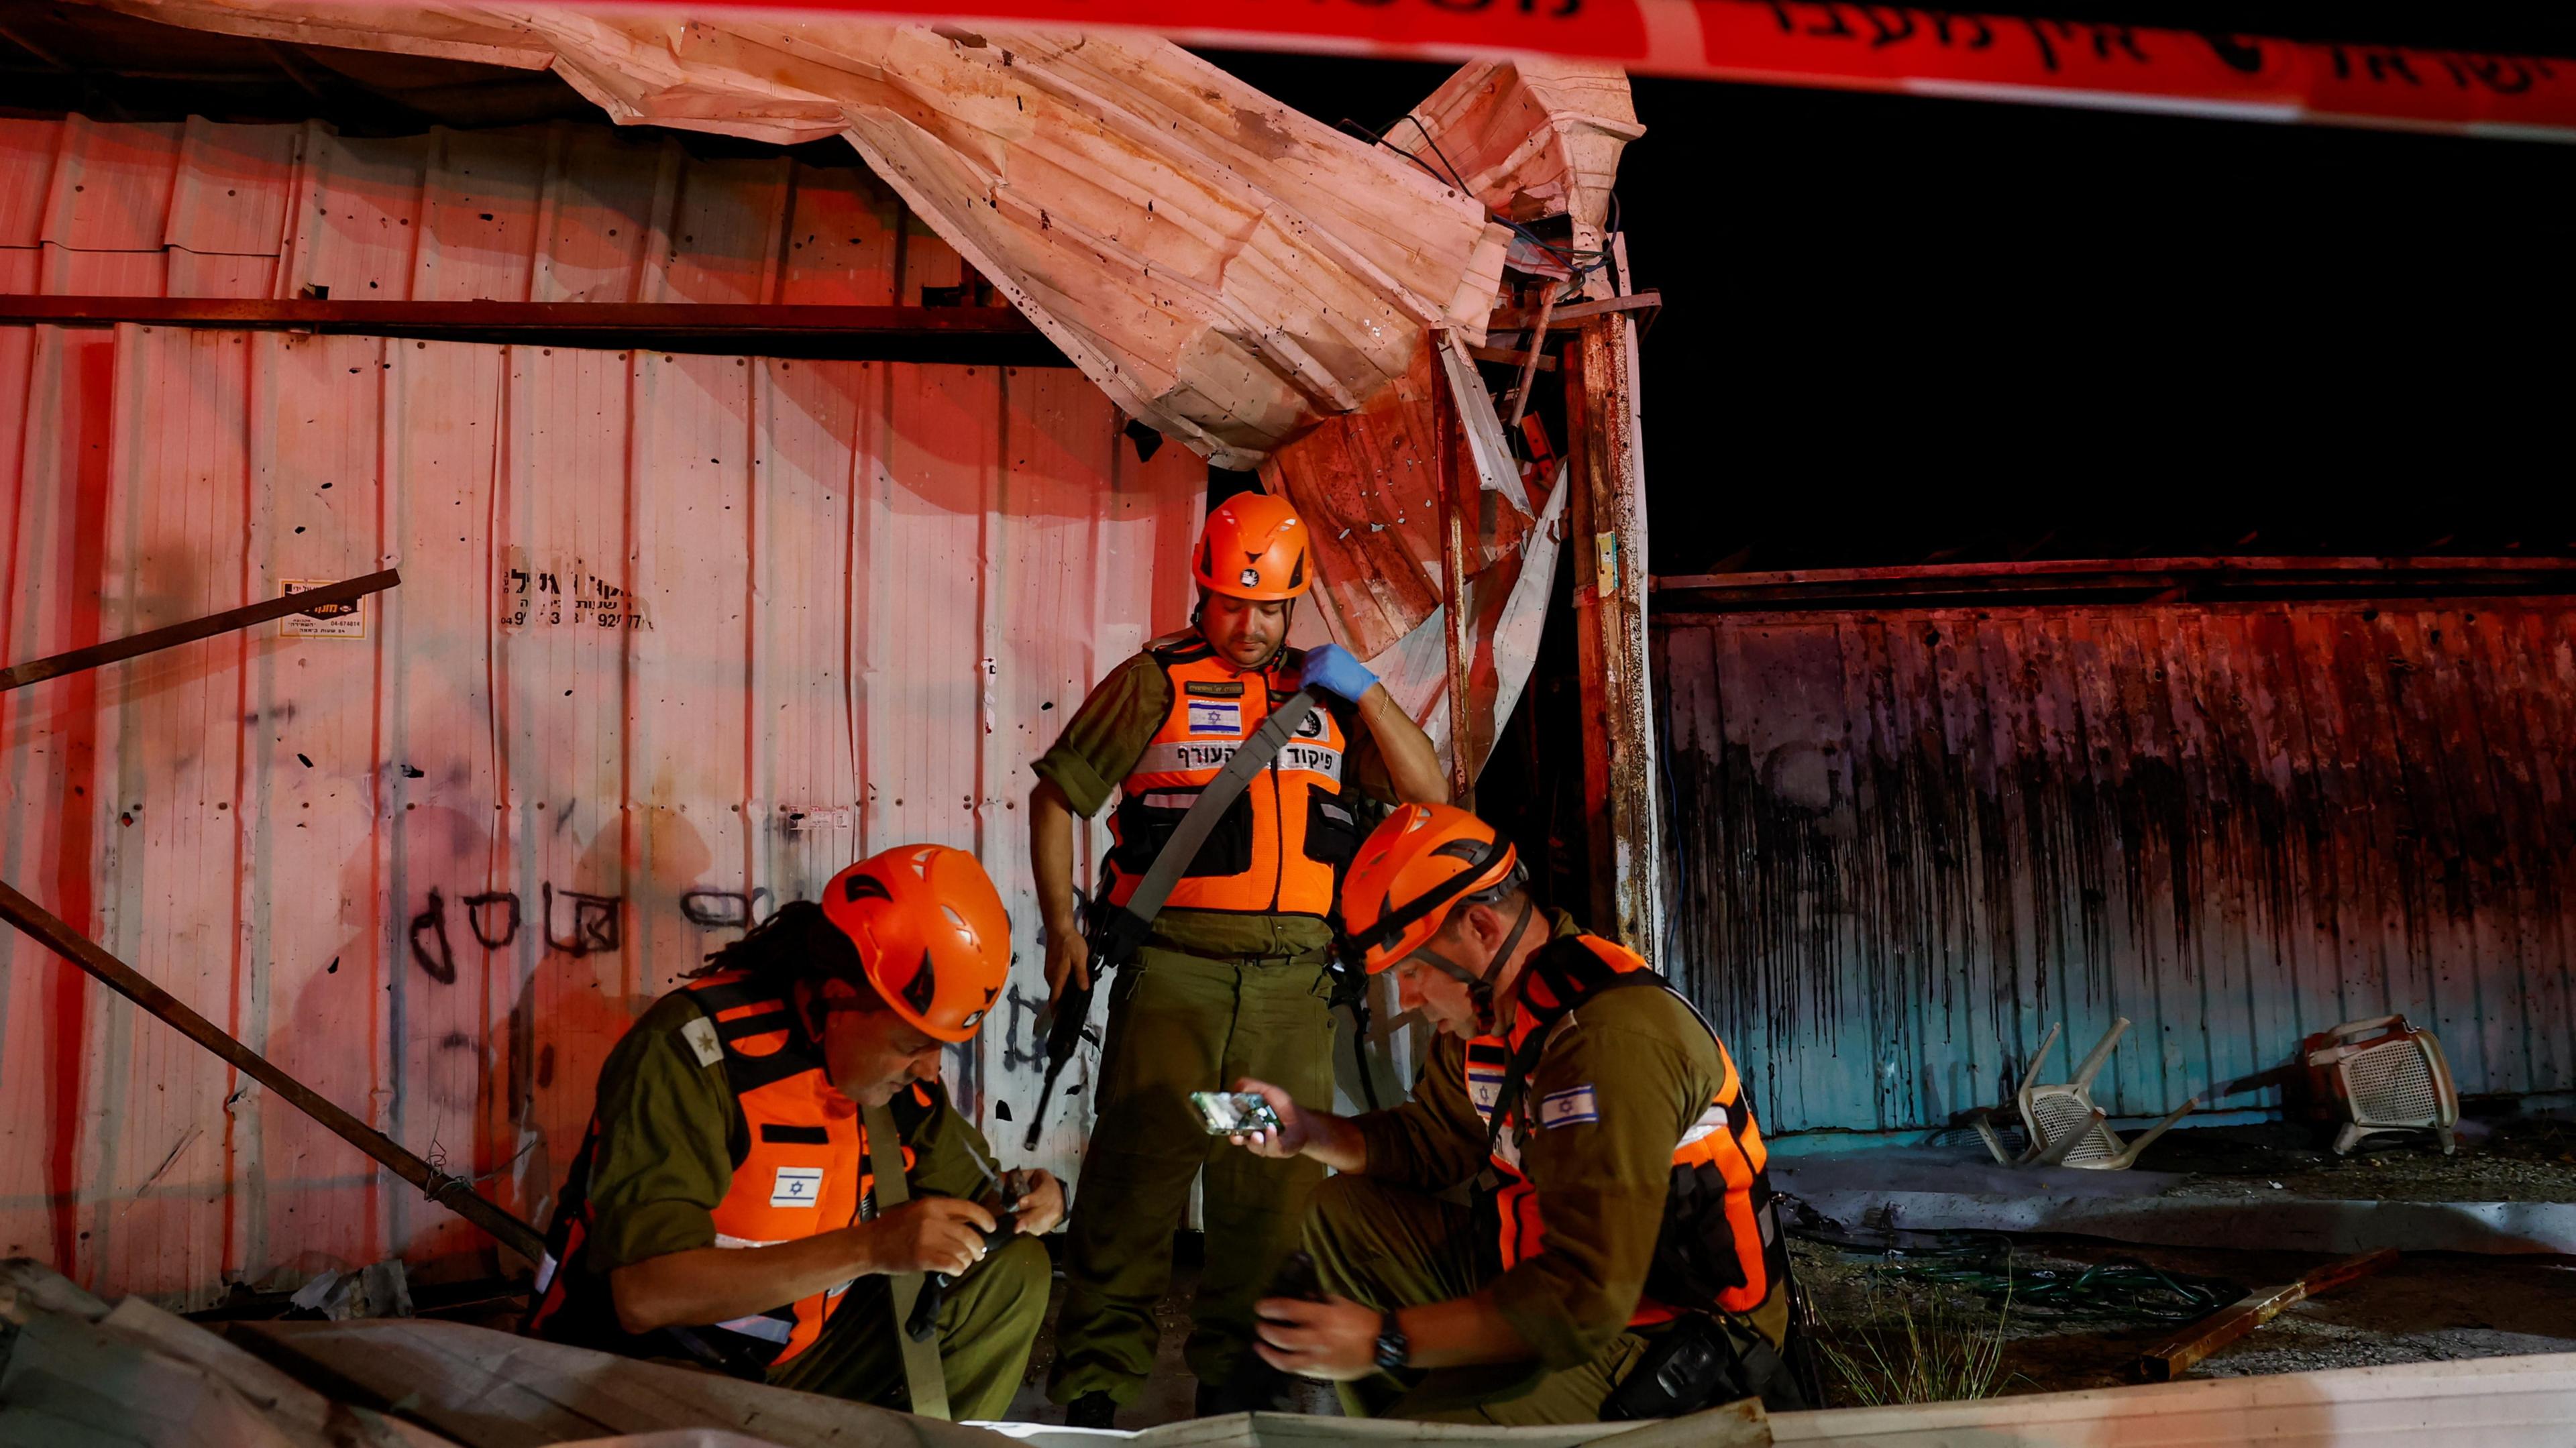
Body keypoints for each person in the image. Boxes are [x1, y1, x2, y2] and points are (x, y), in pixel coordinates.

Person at [1033, 491, 1448, 1426]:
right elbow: (1060, 796)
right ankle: (1095, 1396)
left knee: (1265, 1197)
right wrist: (1063, 928)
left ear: (1297, 601)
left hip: (1291, 996)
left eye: (1270, 607)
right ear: (1201, 587)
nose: (1250, 624)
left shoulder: (1327, 699)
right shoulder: (1153, 680)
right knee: (1135, 1190)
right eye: (1231, 601)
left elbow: (1431, 797)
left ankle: (1237, 1397)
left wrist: (1369, 690)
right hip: (1176, 980)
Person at [1223, 804, 1804, 1425]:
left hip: (1667, 1334)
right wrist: (1306, 1131)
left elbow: (1587, 1295)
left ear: (1480, 926)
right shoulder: (1495, 1016)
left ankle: (1431, 1416)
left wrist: (1382, 1338)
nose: (1410, 998)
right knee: (1342, 1211)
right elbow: (1430, 1142)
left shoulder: (1606, 1043)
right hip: (1546, 1276)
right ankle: (1423, 1408)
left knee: (1421, 1437)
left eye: (1414, 970)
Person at [526, 844, 1064, 1422]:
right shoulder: (694, 1056)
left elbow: (973, 1201)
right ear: (837, 998)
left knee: (1010, 1276)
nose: (931, 1071)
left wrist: (1032, 1196)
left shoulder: (894, 1088)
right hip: (642, 1372)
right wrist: (872, 1246)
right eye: (913, 1044)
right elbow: (645, 1294)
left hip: (793, 1362)